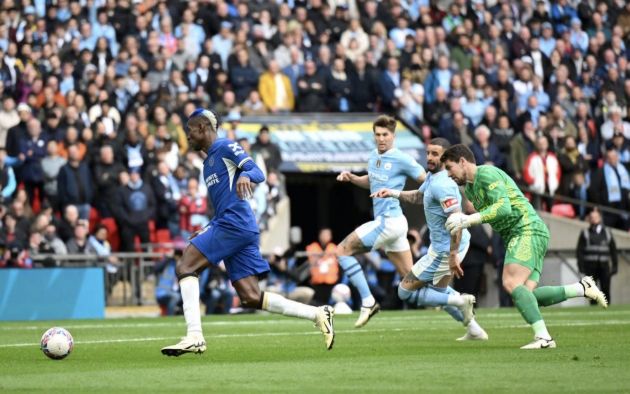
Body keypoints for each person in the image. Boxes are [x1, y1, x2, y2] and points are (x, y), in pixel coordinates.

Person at [161, 109, 334, 357]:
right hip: (231, 224)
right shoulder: (207, 164)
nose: (187, 137)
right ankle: (318, 313)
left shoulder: (225, 147)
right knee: (250, 296)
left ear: (202, 128)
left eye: (190, 131)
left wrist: (244, 174)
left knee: (186, 267)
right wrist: (208, 227)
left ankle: (194, 336)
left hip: (236, 225)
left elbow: (257, 172)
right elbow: (223, 206)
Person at [441, 144, 608, 349]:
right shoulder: (470, 188)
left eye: (449, 168)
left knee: (511, 283)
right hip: (522, 233)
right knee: (526, 295)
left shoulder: (486, 173)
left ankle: (544, 338)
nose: (448, 174)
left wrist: (468, 220)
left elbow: (503, 208)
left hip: (525, 229)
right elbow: (483, 210)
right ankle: (581, 288)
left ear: (462, 161)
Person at [371, 138, 487, 341]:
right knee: (438, 293)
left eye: (435, 154)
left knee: (404, 291)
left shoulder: (443, 185)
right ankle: (474, 329)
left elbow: (457, 220)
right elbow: (419, 196)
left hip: (445, 249)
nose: (430, 158)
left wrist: (452, 254)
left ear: (445, 157)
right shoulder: (433, 178)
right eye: (428, 153)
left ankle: (461, 301)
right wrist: (393, 193)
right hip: (443, 246)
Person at [336, 114, 426, 328]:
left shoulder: (401, 158)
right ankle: (457, 303)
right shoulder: (373, 155)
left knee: (341, 251)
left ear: (393, 136)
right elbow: (372, 181)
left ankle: (368, 302)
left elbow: (426, 179)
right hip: (393, 225)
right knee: (410, 282)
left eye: (385, 134)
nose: (381, 139)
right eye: (377, 135)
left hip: (389, 222)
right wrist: (353, 178)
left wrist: (402, 194)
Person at [576, 209, 617, 304]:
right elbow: (580, 252)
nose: (594, 219)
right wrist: (581, 267)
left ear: (600, 218)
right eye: (592, 217)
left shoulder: (607, 232)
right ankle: (594, 310)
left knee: (606, 289)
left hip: (604, 266)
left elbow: (613, 250)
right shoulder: (585, 233)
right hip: (590, 267)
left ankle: (607, 309)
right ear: (589, 219)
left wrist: (615, 265)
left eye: (596, 217)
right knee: (592, 291)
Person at [306, 228, 339, 306]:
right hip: (317, 283)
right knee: (317, 304)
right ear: (319, 236)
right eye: (323, 234)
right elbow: (310, 264)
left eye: (327, 234)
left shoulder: (334, 248)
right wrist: (319, 255)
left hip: (331, 283)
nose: (325, 237)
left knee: (330, 304)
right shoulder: (312, 247)